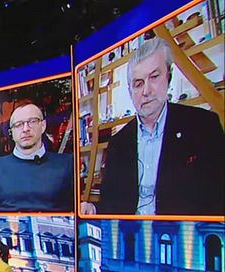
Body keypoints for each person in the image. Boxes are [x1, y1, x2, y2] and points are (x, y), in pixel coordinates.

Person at [81, 37, 224, 216]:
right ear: (130, 91)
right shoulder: (118, 143)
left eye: (154, 77)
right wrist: (94, 210)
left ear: (168, 77)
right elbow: (112, 205)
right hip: (131, 233)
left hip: (184, 233)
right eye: (138, 84)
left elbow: (218, 198)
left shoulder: (203, 126)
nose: (146, 91)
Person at [0, 103, 74, 212]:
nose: (26, 129)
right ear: (11, 132)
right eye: (18, 125)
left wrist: (85, 205)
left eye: (32, 121)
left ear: (43, 126)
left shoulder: (67, 163)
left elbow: (79, 205)